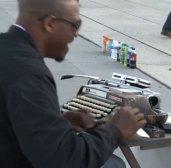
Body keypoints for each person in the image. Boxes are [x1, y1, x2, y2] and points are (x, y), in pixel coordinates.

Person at [0, 0, 146, 168]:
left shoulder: (8, 51)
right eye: (75, 25)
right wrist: (115, 130)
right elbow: (64, 160)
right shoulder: (28, 72)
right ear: (49, 24)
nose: (76, 34)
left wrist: (57, 122)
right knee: (114, 165)